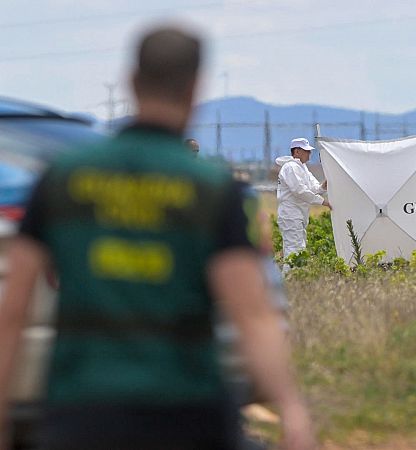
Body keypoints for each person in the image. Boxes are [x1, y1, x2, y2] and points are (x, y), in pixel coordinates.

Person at [0, 25, 314, 450]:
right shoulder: (213, 189)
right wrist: (290, 408)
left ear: (131, 81)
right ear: (195, 88)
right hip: (189, 408)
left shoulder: (62, 179)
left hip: (82, 409)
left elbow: (13, 311)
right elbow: (252, 314)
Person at [275, 137, 330, 265]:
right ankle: (290, 279)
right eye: (306, 151)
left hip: (298, 215)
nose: (309, 154)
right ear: (297, 151)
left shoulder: (302, 168)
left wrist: (323, 186)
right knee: (294, 250)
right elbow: (299, 190)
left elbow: (312, 188)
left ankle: (295, 278)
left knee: (299, 249)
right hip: (290, 214)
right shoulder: (290, 167)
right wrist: (322, 201)